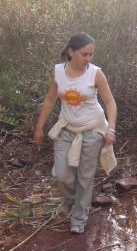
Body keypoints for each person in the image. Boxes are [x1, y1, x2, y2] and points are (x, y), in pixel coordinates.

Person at [33, 33, 117, 234]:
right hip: (66, 129)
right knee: (62, 174)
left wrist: (110, 129)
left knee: (85, 177)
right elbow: (50, 100)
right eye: (84, 54)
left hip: (93, 130)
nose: (88, 59)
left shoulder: (96, 73)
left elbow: (110, 102)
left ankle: (79, 216)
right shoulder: (57, 71)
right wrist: (39, 127)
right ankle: (71, 201)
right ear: (71, 52)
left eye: (91, 54)